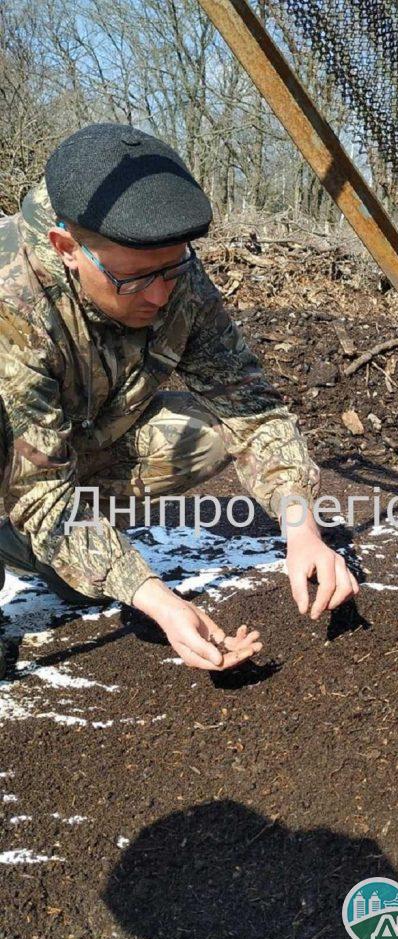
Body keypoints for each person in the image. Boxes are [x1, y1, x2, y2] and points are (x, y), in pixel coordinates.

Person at [0, 123, 358, 676]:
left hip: (71, 444)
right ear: (67, 249)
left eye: (173, 269)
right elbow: (39, 491)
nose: (162, 295)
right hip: (16, 458)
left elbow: (249, 405)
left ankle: (36, 549)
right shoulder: (13, 301)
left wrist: (301, 528)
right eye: (138, 280)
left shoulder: (166, 271)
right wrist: (157, 599)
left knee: (207, 433)